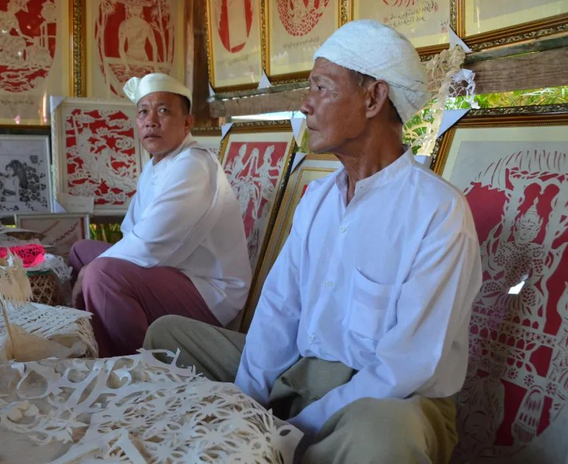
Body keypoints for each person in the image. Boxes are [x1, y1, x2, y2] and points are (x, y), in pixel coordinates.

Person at [144, 20, 483, 464]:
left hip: (388, 398)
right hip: (300, 374)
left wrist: (292, 428)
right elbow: (279, 311)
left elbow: (408, 366)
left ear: (373, 98)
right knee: (167, 336)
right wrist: (245, 409)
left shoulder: (437, 211)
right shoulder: (318, 199)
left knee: (382, 437)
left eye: (321, 87)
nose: (306, 104)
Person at [69, 73, 251, 358]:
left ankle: (138, 365)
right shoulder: (157, 163)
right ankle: (97, 346)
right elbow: (133, 233)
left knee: (100, 274)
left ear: (187, 122)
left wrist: (91, 271)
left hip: (210, 289)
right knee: (81, 251)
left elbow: (150, 244)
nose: (151, 121)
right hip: (171, 271)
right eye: (143, 112)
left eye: (163, 111)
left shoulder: (193, 164)